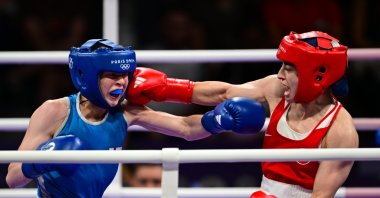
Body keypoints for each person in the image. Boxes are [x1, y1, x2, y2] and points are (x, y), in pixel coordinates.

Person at [6, 39, 265, 197]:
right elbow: (12, 177)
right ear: (86, 77)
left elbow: (185, 128)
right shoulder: (55, 111)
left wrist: (217, 121)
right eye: (111, 75)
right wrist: (41, 160)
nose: (121, 82)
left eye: (125, 75)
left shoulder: (126, 111)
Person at [127, 31, 359, 197]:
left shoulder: (340, 131)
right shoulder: (277, 90)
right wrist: (166, 88)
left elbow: (322, 195)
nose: (280, 75)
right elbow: (222, 94)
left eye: (289, 69)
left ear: (317, 75)